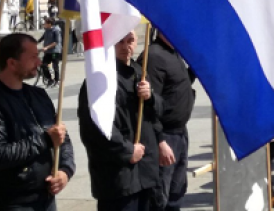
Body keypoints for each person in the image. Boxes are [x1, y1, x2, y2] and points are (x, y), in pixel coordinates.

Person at [79, 31, 163, 211]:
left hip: (146, 174)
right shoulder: (98, 80)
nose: (126, 47)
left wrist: (151, 98)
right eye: (120, 41)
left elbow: (157, 116)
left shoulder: (140, 72)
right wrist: (127, 151)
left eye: (130, 41)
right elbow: (94, 129)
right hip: (118, 179)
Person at [0, 33, 75, 211]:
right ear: (12, 63)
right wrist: (44, 140)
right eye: (33, 57)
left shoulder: (38, 96)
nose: (39, 62)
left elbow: (62, 136)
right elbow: (2, 154)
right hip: (14, 201)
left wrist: (65, 171)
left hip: (46, 198)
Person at [137, 32, 196, 211]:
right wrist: (160, 141)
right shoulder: (153, 57)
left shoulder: (173, 53)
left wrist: (194, 70)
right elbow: (148, 106)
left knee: (176, 193)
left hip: (179, 134)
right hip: (164, 137)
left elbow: (177, 84)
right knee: (159, 197)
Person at [38, 18, 62, 87]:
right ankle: (49, 79)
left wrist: (47, 47)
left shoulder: (56, 30)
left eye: (45, 23)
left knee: (55, 65)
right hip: (48, 52)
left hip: (55, 51)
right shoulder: (47, 30)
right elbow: (43, 37)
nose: (44, 24)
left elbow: (56, 42)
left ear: (49, 24)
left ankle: (57, 80)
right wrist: (35, 42)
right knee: (43, 65)